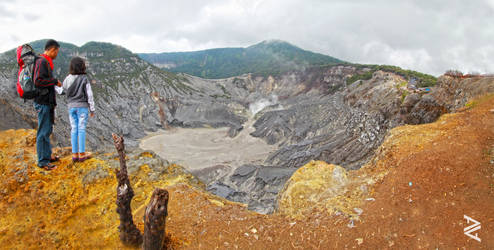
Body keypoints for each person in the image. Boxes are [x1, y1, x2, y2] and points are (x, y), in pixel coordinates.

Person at [34, 39, 62, 170]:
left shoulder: (46, 62)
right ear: (52, 50)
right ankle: (43, 161)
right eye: (56, 51)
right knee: (43, 131)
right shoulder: (41, 61)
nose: (57, 54)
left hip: (47, 102)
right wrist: (54, 81)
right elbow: (38, 81)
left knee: (48, 130)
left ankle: (47, 155)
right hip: (43, 102)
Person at [61, 56, 95, 162]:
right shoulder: (84, 79)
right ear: (82, 67)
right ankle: (82, 154)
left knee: (74, 129)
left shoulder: (67, 78)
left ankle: (74, 155)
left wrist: (54, 85)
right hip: (82, 108)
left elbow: (62, 91)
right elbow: (89, 95)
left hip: (71, 107)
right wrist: (92, 109)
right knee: (81, 129)